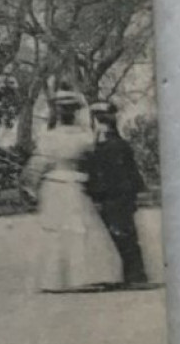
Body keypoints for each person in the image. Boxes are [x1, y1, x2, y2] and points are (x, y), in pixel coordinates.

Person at [31, 89, 121, 293]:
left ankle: (54, 278)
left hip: (54, 183)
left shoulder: (48, 137)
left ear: (58, 113)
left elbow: (40, 163)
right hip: (75, 183)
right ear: (74, 113)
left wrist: (31, 185)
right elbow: (91, 161)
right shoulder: (85, 137)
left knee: (56, 230)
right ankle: (86, 275)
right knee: (81, 228)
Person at [83, 101, 148, 288]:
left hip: (114, 195)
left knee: (122, 233)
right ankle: (133, 274)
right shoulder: (113, 144)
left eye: (99, 118)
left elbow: (121, 172)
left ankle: (135, 275)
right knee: (123, 233)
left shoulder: (111, 145)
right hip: (116, 194)